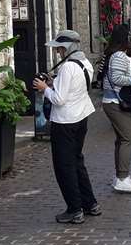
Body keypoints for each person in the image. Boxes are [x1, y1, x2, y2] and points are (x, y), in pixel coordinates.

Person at [32, 30, 99, 225]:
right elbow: (75, 88)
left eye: (60, 48)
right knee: (77, 161)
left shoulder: (67, 67)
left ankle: (74, 209)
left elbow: (59, 99)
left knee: (64, 166)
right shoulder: (85, 63)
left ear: (66, 48)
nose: (58, 52)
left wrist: (44, 89)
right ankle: (90, 203)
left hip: (65, 121)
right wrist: (54, 82)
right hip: (81, 116)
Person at [102, 23, 131, 193]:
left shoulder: (112, 54)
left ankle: (121, 176)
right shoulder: (119, 55)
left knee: (122, 139)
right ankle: (122, 178)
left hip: (113, 101)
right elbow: (117, 79)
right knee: (129, 138)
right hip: (116, 102)